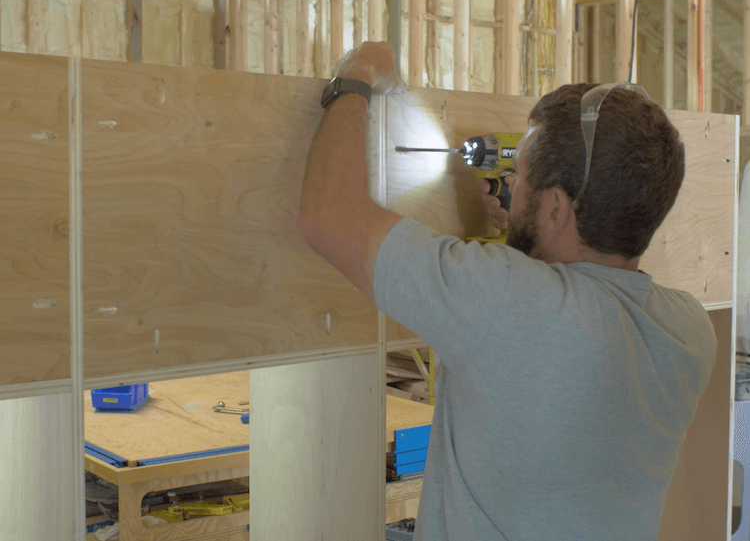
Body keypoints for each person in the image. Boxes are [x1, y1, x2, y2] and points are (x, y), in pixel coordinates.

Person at [297, 42, 717, 541]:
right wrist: (527, 233)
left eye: (520, 176)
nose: (510, 185)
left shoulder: (500, 298)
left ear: (558, 210)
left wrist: (356, 76)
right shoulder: (690, 332)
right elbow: (557, 318)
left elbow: (328, 216)